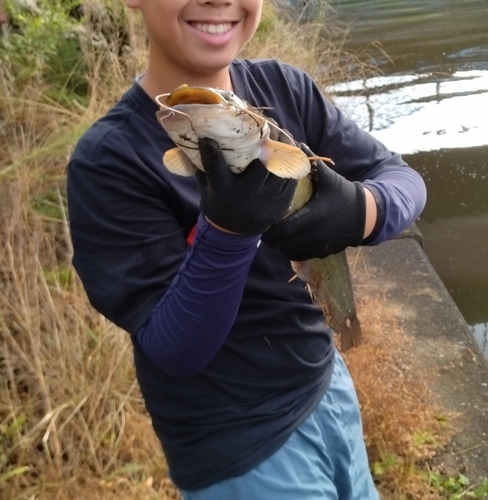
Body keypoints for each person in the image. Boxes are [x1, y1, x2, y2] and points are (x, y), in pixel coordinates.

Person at [67, 0, 427, 498]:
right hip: (238, 444)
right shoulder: (108, 162)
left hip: (327, 387)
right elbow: (176, 351)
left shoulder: (286, 89)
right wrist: (227, 233)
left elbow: (404, 179)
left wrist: (361, 210)